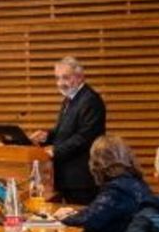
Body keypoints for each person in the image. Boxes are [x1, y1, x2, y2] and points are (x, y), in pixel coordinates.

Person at [29, 55, 107, 204]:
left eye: (65, 78)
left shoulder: (90, 100)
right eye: (57, 78)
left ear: (79, 77)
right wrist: (47, 136)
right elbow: (66, 131)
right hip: (68, 177)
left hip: (83, 179)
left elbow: (85, 137)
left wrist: (55, 151)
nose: (60, 83)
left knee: (82, 222)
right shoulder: (70, 99)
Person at [57, 135, 154, 232]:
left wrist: (63, 218)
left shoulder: (117, 189)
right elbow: (99, 211)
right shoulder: (134, 182)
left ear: (97, 162)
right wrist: (76, 213)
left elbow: (90, 221)